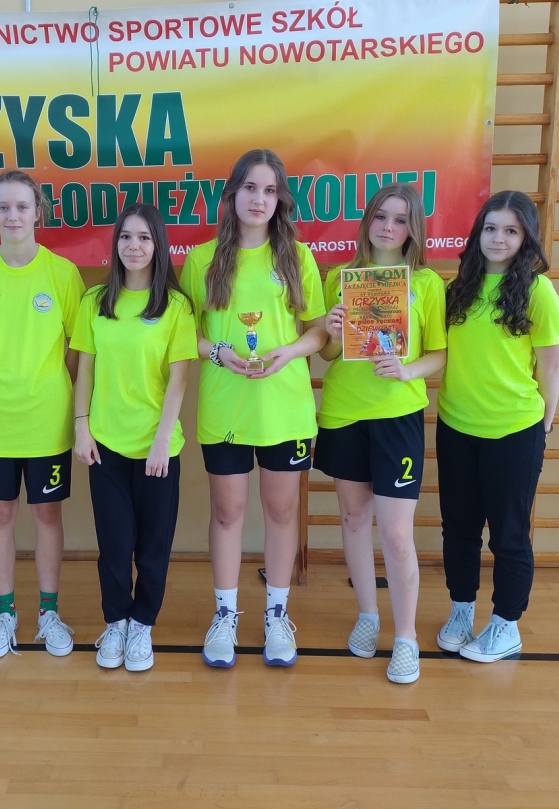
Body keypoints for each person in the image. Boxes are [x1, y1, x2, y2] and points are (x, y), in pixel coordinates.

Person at [182, 149, 327, 668]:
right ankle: (224, 616)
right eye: (249, 188)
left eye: (269, 190)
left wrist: (289, 351)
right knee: (227, 513)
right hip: (225, 409)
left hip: (284, 409)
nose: (258, 199)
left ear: (280, 199)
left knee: (282, 511)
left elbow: (318, 331)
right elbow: (184, 334)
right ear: (232, 194)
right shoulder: (201, 260)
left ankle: (276, 615)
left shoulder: (298, 257)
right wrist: (219, 352)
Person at [312, 183, 447, 684]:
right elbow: (328, 354)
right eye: (381, 216)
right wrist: (330, 328)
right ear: (367, 220)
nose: (388, 227)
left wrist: (407, 370)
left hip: (397, 417)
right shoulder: (341, 278)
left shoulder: (427, 284)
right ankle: (368, 616)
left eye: (400, 219)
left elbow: (440, 353)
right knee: (353, 520)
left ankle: (406, 637)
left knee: (394, 533)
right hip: (344, 414)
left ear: (414, 229)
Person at [0, 170, 85, 659]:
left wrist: (47, 386)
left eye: (22, 206)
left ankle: (49, 613)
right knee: (1, 513)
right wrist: (4, 382)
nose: (13, 216)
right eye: (3, 207)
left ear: (38, 213)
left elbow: (75, 349)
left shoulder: (63, 274)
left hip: (47, 419)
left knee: (47, 513)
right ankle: (5, 613)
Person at [436, 191, 559, 663]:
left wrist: (543, 428)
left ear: (526, 237)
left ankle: (506, 624)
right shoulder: (457, 288)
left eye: (511, 230)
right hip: (456, 427)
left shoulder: (538, 291)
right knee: (459, 528)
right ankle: (461, 612)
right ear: (478, 233)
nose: (499, 238)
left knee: (508, 534)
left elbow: (551, 368)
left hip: (514, 431)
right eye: (491, 228)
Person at [72, 204, 197, 672]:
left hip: (157, 447)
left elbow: (179, 379)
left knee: (152, 548)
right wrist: (82, 426)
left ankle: (142, 624)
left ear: (158, 244)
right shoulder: (95, 301)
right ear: (116, 244)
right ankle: (116, 623)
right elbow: (85, 370)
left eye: (144, 237)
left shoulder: (176, 306)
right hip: (105, 444)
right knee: (115, 544)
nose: (134, 246)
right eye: (126, 236)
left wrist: (162, 440)